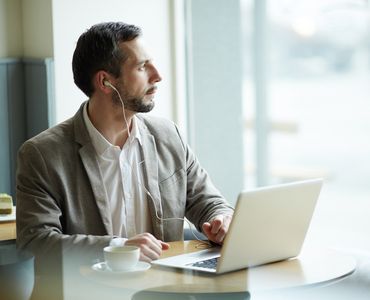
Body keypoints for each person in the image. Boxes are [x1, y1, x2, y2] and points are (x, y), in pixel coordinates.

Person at [15, 22, 234, 274]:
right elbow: (37, 243)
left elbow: (210, 202)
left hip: (167, 290)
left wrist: (223, 220)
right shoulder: (42, 155)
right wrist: (120, 247)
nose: (157, 75)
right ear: (105, 81)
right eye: (142, 67)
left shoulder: (168, 136)